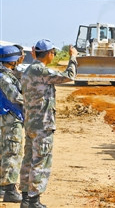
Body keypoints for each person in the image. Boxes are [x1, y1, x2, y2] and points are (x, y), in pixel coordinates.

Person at [19, 39, 78, 208]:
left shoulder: (29, 70)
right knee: (40, 161)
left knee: (28, 160)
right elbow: (69, 76)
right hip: (42, 125)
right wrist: (73, 58)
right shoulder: (41, 71)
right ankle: (33, 200)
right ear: (50, 54)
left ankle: (25, 198)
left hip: (30, 123)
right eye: (54, 53)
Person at [0, 45, 24, 203]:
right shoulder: (5, 77)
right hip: (11, 118)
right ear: (12, 60)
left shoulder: (7, 74)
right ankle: (9, 189)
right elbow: (16, 97)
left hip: (9, 117)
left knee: (7, 151)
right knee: (12, 152)